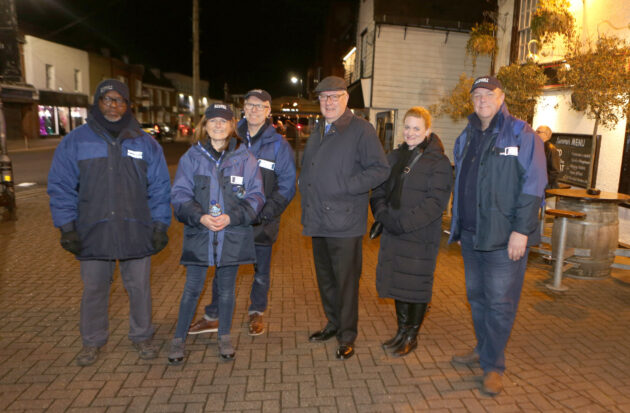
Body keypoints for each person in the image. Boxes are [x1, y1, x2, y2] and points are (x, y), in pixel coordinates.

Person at [47, 79, 171, 366]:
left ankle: (142, 336)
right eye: (107, 99)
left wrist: (160, 225)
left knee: (139, 288)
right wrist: (67, 227)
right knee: (94, 289)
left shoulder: (145, 143)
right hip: (93, 229)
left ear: (127, 105)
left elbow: (160, 188)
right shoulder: (76, 142)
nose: (113, 105)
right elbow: (61, 186)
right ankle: (92, 341)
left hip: (136, 228)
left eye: (119, 100)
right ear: (97, 103)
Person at [448, 76, 547, 396]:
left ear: (501, 97)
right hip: (472, 236)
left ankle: (493, 366)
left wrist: (521, 230)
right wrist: (459, 225)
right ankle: (483, 349)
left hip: (505, 238)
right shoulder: (466, 135)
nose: (482, 100)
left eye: (488, 94)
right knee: (477, 299)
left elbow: (534, 185)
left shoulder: (521, 134)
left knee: (500, 303)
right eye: (476, 95)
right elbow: (462, 182)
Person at [188, 89, 296, 337]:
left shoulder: (278, 145)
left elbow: (287, 185)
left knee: (261, 272)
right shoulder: (230, 138)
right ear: (243, 109)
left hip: (262, 221)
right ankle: (213, 316)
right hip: (232, 221)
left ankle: (256, 312)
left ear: (268, 110)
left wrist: (265, 213)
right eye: (250, 105)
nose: (254, 110)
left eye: (260, 106)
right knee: (223, 270)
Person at [299, 75, 389, 360]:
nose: (328, 102)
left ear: (346, 99)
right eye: (323, 97)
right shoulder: (320, 129)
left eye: (334, 97)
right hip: (318, 218)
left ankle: (347, 335)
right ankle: (333, 323)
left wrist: (347, 186)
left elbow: (380, 169)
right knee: (326, 279)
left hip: (345, 222)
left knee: (346, 283)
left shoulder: (361, 130)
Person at [168, 103, 264, 364]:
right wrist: (200, 217)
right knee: (192, 289)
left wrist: (232, 217)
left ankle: (224, 336)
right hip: (200, 235)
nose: (218, 125)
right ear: (205, 125)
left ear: (232, 125)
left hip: (232, 236)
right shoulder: (192, 157)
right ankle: (178, 339)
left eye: (224, 121)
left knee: (226, 291)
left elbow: (256, 197)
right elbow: (180, 195)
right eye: (213, 121)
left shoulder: (246, 159)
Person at [369, 107, 452, 357]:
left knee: (416, 287)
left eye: (417, 128)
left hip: (419, 238)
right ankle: (401, 331)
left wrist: (402, 224)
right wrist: (382, 214)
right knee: (398, 284)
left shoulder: (439, 162)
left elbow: (435, 204)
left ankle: (411, 336)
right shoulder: (395, 156)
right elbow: (379, 190)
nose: (410, 132)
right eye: (407, 127)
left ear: (428, 130)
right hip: (394, 233)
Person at [535, 125, 561, 189]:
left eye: (538, 132)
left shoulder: (551, 149)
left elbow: (554, 171)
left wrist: (542, 183)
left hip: (547, 188)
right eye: (535, 131)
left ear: (546, 135)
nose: (535, 133)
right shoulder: (536, 147)